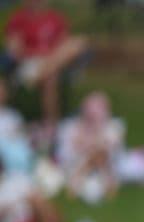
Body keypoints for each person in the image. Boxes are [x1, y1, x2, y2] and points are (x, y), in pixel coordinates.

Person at [3, 0, 88, 137]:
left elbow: (64, 44)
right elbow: (14, 51)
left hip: (49, 63)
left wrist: (49, 59)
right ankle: (51, 126)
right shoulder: (17, 20)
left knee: (79, 43)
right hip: (29, 64)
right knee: (51, 76)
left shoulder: (56, 18)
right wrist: (38, 54)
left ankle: (42, 72)